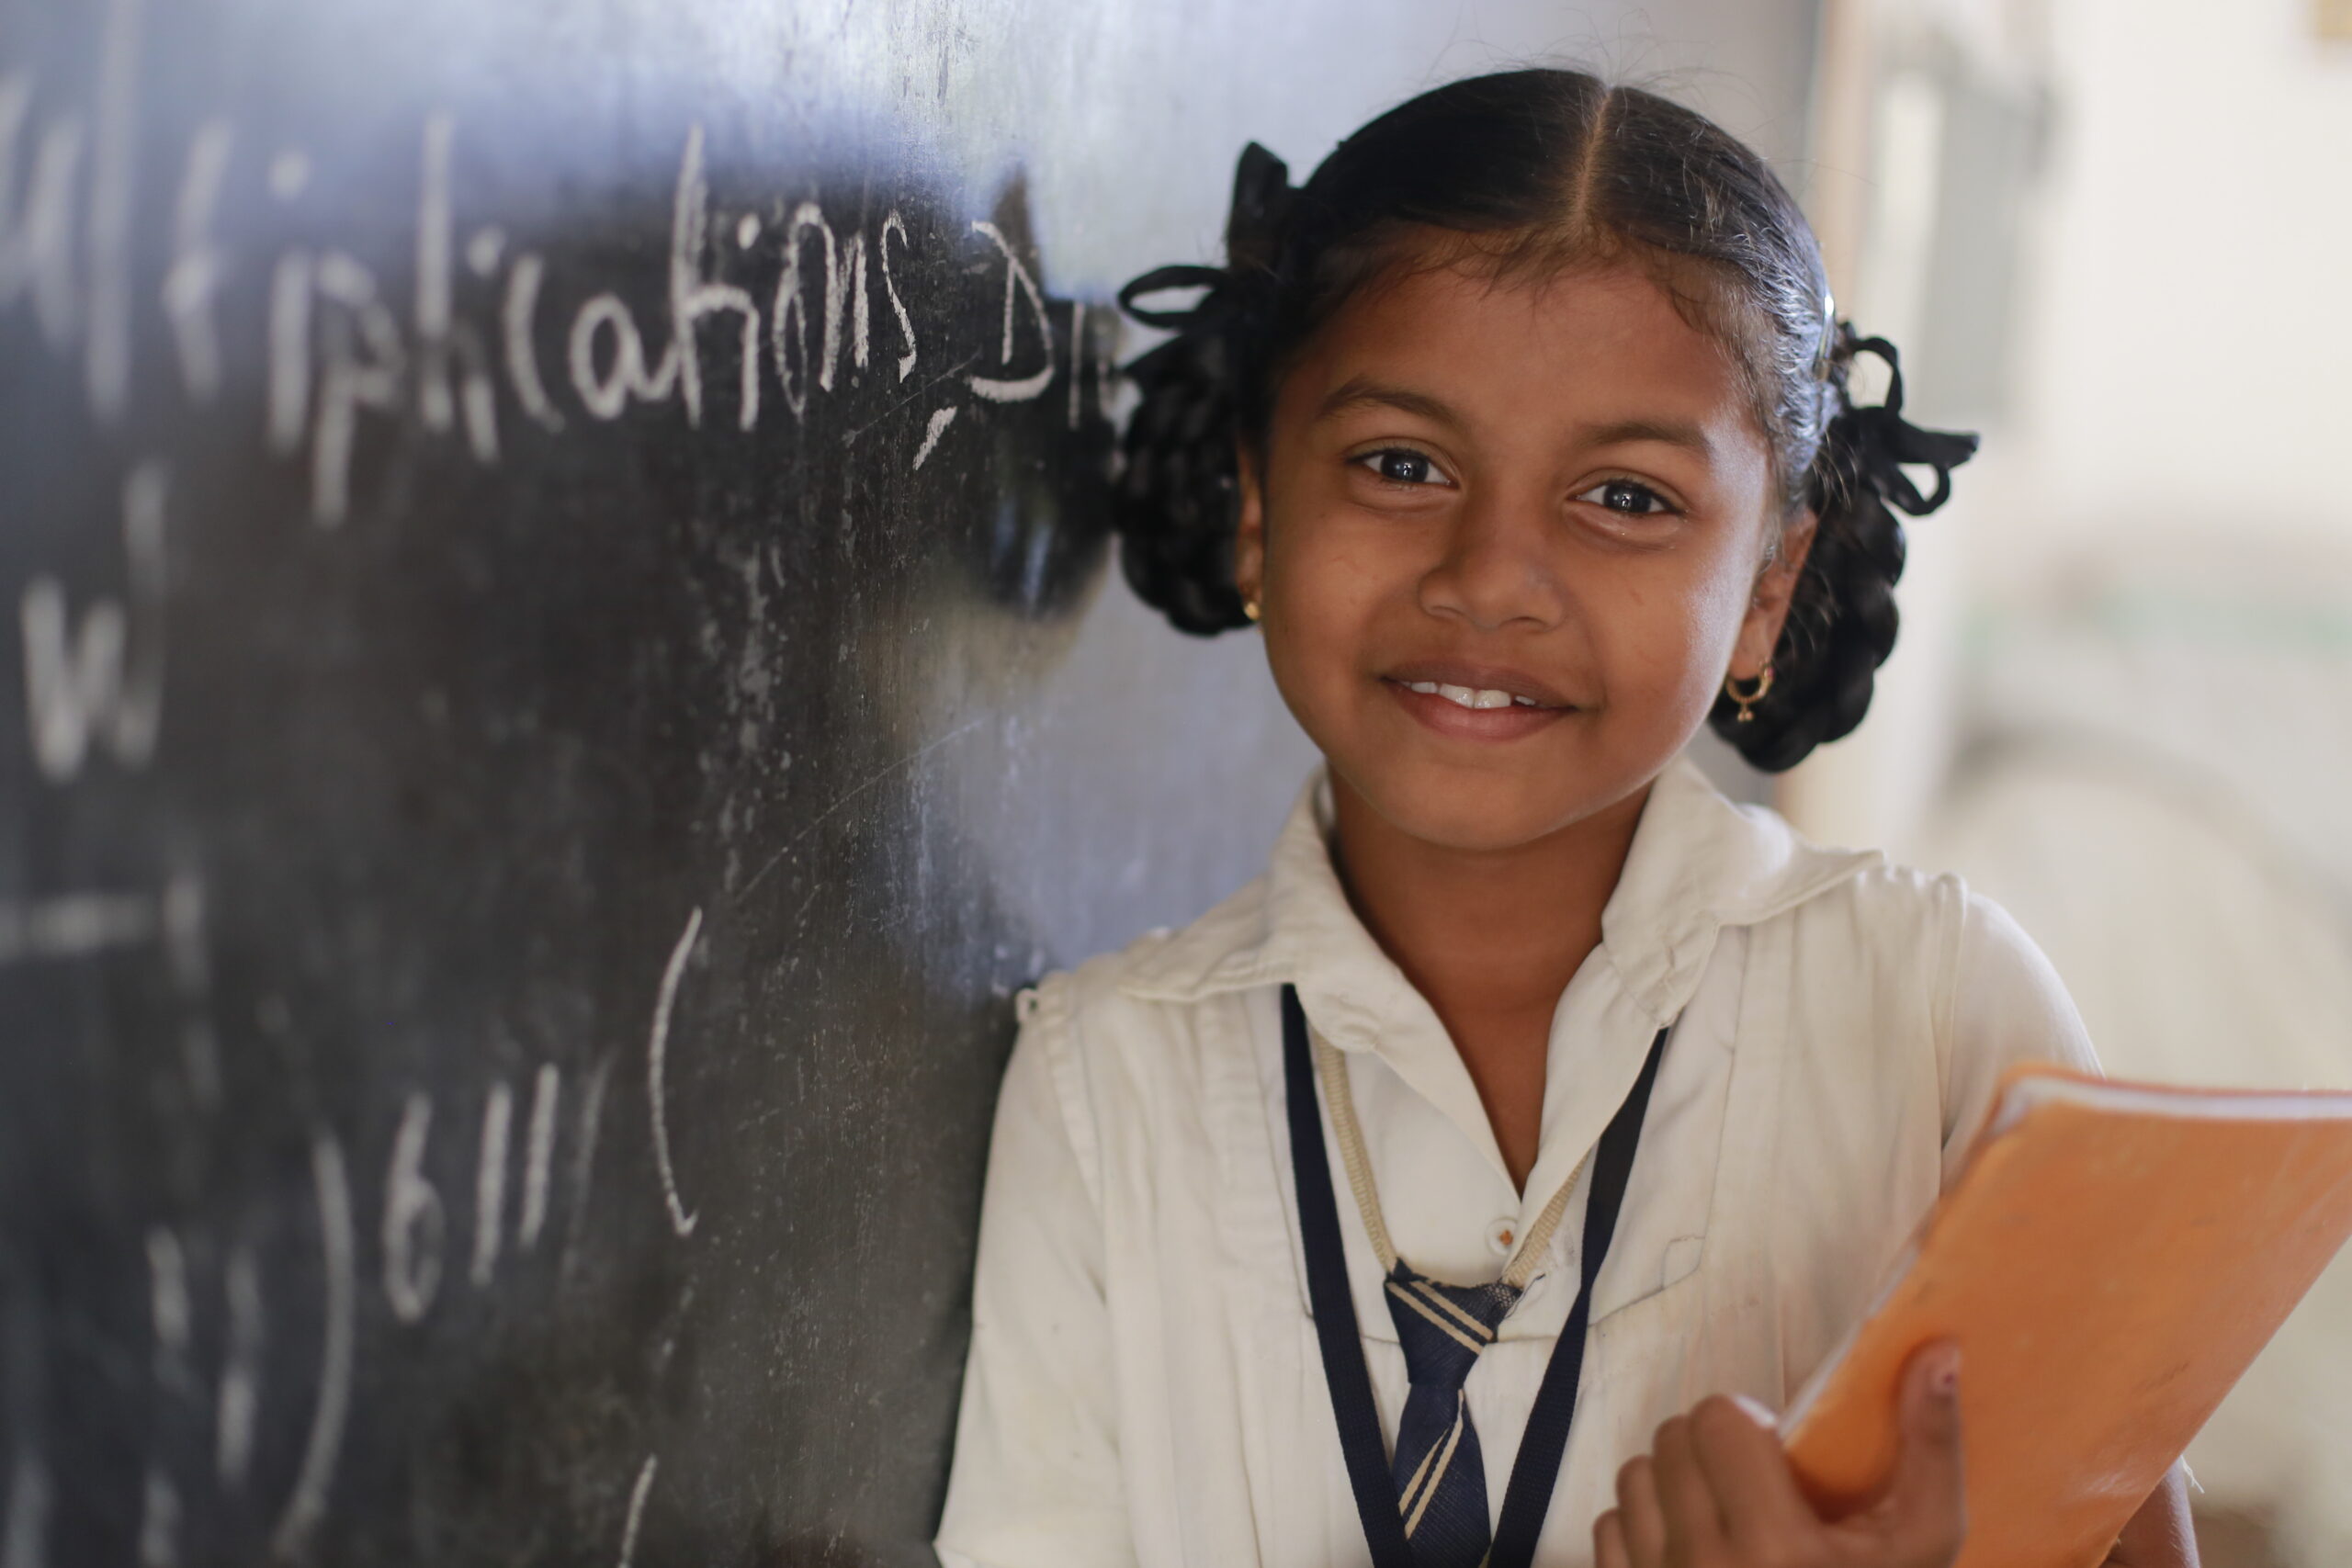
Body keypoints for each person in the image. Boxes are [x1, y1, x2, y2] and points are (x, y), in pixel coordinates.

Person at [933, 67, 2199, 1568]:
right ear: (1258, 504)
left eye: (1628, 499)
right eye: (1402, 465)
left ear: (1768, 593)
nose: (1491, 574)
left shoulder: (1937, 1021)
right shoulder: (1101, 1090)